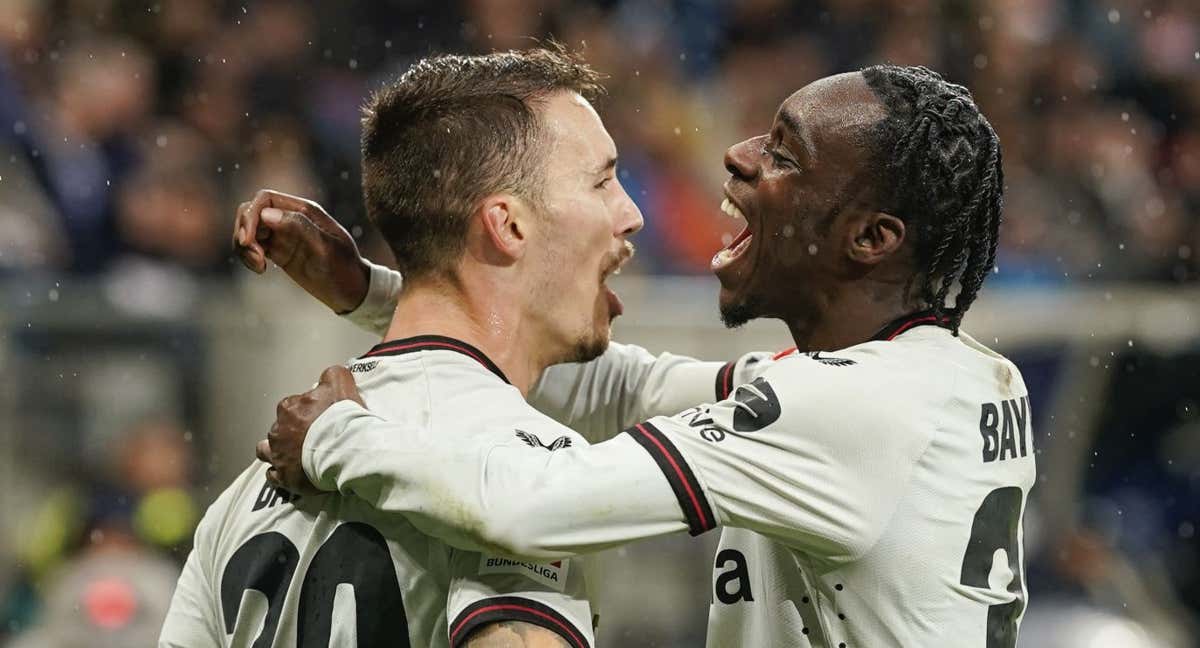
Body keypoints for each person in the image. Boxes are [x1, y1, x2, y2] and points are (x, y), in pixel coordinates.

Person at [256, 65, 1030, 647]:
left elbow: (533, 504)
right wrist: (378, 293)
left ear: (869, 238)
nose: (738, 155)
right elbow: (626, 390)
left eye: (786, 155)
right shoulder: (936, 378)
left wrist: (336, 438)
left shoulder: (849, 410)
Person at [161, 46, 647, 648]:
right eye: (602, 180)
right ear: (509, 225)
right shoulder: (529, 478)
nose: (631, 215)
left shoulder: (241, 498)